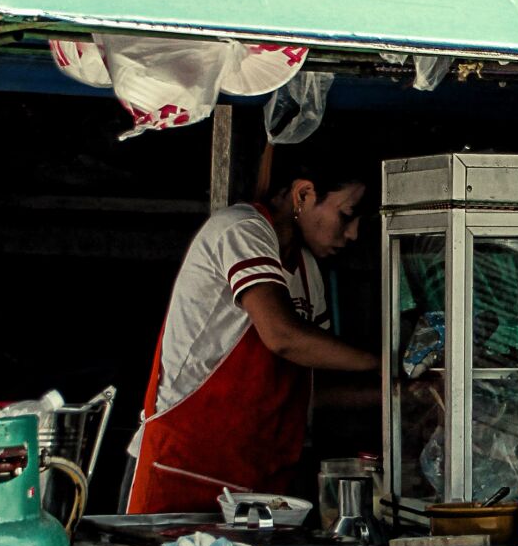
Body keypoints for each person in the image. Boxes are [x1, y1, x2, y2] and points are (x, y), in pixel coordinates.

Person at [125, 138, 378, 513]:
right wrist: (382, 362)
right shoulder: (240, 229)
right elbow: (281, 336)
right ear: (304, 194)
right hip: (182, 470)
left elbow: (309, 393)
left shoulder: (307, 273)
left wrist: (396, 393)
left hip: (256, 490)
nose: (353, 233)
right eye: (347, 214)